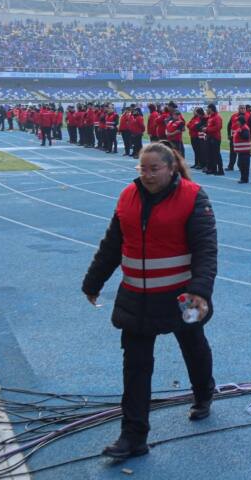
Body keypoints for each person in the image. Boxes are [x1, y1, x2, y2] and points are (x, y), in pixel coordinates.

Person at [81, 142, 217, 459]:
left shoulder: (193, 196)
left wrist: (201, 290)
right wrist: (94, 281)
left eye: (154, 168)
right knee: (136, 366)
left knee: (193, 346)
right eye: (143, 168)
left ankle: (203, 394)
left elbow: (206, 249)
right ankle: (133, 436)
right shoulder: (127, 196)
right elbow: (112, 244)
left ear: (171, 168)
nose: (148, 174)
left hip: (183, 295)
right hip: (137, 298)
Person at [203, 103, 224, 175]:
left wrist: (206, 129)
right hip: (210, 137)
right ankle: (213, 169)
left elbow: (218, 127)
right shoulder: (210, 117)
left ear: (211, 109)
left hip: (215, 138)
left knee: (216, 154)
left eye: (207, 108)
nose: (206, 110)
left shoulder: (217, 117)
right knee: (210, 154)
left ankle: (221, 170)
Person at [232, 112, 251, 183]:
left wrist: (240, 133)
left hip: (244, 150)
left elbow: (246, 136)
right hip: (241, 150)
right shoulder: (241, 127)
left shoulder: (244, 128)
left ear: (241, 121)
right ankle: (243, 178)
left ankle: (244, 179)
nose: (237, 122)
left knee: (244, 165)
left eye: (238, 121)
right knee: (241, 164)